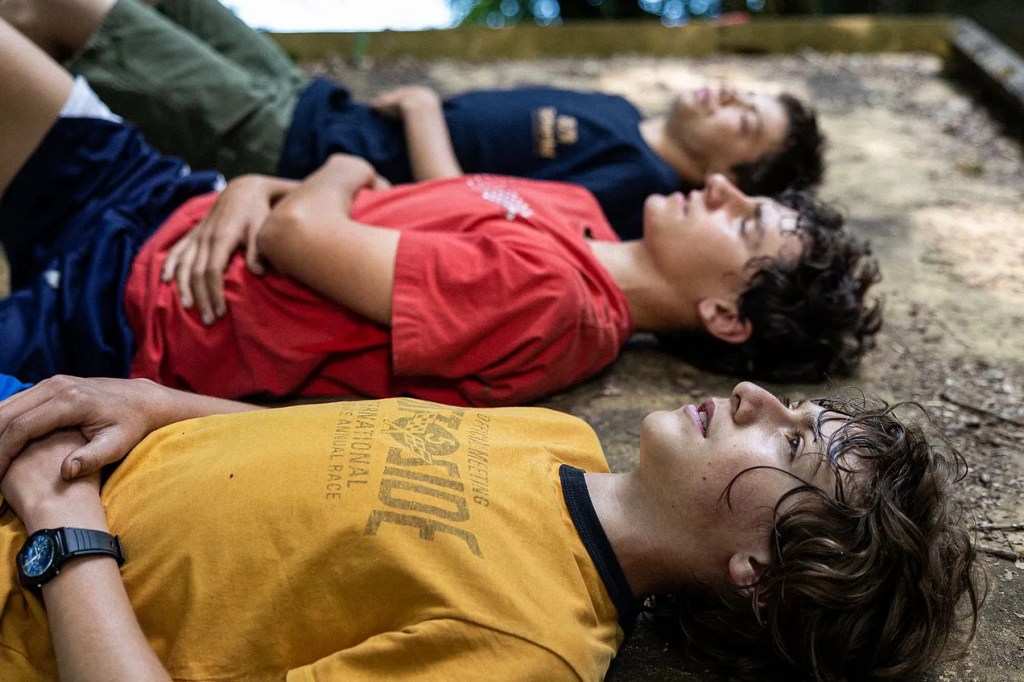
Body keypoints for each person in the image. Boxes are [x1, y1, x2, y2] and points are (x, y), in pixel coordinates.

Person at [0, 18, 880, 405]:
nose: (722, 190)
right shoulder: (575, 212)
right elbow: (361, 208)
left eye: (746, 221)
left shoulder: (555, 303)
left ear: (723, 314)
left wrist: (331, 169)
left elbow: (301, 232)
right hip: (157, 201)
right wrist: (250, 186)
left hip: (127, 314)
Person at [0, 373, 983, 680]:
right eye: (797, 406)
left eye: (793, 444)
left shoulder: (531, 645)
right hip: (58, 447)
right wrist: (148, 401)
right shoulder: (554, 435)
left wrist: (62, 531)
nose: (755, 395)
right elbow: (310, 438)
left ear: (759, 575)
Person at [0, 0, 826, 239]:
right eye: (742, 90)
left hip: (288, 142)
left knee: (67, 14)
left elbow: (469, 216)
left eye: (747, 122)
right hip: (309, 100)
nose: (728, 97)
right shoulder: (616, 111)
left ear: (730, 177)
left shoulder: (635, 188)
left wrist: (426, 111)